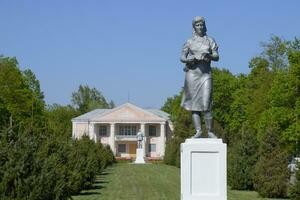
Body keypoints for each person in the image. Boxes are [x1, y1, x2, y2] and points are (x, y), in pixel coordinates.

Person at [180, 16, 219, 138]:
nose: (200, 27)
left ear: (204, 26)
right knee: (194, 105)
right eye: (197, 25)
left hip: (205, 74)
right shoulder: (189, 42)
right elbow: (182, 57)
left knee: (206, 103)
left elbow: (217, 56)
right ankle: (198, 131)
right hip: (192, 74)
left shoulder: (210, 40)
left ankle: (210, 131)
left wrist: (210, 56)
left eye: (201, 24)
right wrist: (188, 59)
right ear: (194, 27)